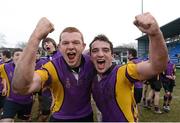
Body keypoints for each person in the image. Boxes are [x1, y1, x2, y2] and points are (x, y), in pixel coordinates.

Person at [12, 18, 96, 122]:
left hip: (86, 116)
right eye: (65, 43)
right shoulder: (51, 67)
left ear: (83, 47)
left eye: (76, 42)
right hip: (60, 118)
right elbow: (21, 87)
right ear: (59, 47)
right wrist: (36, 37)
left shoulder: (92, 62)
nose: (70, 46)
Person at [89, 12, 168, 122]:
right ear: (90, 56)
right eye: (95, 51)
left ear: (112, 56)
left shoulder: (123, 71)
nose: (100, 54)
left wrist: (155, 34)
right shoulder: (90, 76)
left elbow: (157, 66)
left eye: (105, 50)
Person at [0, 48, 33, 122]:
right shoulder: (5, 67)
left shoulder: (31, 67)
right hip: (11, 101)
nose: (20, 57)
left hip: (27, 101)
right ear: (12, 57)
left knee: (25, 120)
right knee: (5, 121)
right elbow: (3, 78)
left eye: (22, 55)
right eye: (17, 55)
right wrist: (4, 86)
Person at [37, 38, 60, 121]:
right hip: (47, 94)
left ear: (54, 44)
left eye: (48, 42)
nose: (46, 44)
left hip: (61, 93)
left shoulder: (62, 55)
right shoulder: (45, 61)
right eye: (44, 44)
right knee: (44, 116)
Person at [127, 48, 143, 113]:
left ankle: (133, 116)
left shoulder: (131, 62)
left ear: (130, 54)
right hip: (140, 86)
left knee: (132, 103)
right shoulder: (141, 61)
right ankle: (136, 114)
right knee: (136, 102)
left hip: (133, 87)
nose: (127, 55)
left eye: (127, 54)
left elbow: (129, 75)